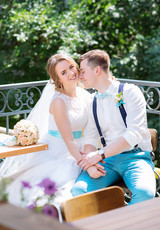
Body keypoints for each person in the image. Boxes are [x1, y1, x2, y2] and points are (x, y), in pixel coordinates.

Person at [0, 53, 105, 206]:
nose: (71, 73)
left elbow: (91, 130)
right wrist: (88, 166)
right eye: (63, 73)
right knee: (56, 193)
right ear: (58, 80)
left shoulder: (84, 95)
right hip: (59, 152)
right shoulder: (59, 102)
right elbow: (69, 141)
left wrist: (91, 155)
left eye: (71, 67)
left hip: (80, 148)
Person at [71, 49, 156, 205]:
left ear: (97, 70)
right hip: (107, 162)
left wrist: (99, 155)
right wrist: (93, 163)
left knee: (145, 193)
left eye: (82, 71)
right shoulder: (91, 101)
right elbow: (90, 138)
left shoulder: (130, 92)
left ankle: (122, 227)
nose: (80, 77)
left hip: (135, 158)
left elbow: (134, 133)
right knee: (78, 191)